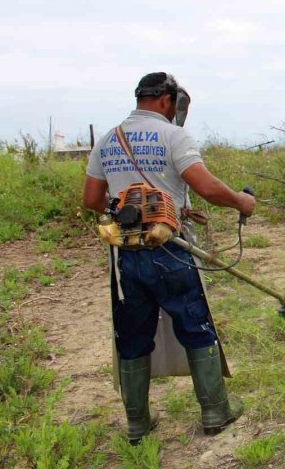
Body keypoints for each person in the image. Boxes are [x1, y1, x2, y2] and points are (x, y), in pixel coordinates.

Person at [82, 72, 255, 444]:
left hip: (125, 256)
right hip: (170, 249)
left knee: (132, 334)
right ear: (167, 101)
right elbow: (207, 187)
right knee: (194, 322)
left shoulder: (109, 139)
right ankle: (214, 412)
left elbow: (93, 200)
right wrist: (243, 201)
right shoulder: (173, 136)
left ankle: (137, 424)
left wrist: (124, 207)